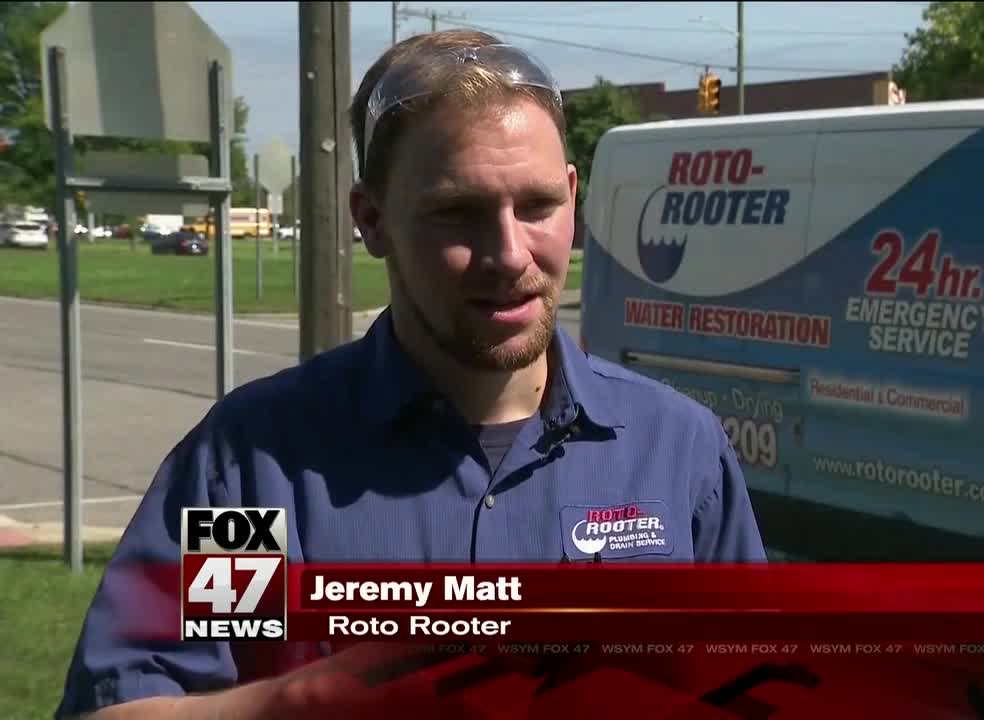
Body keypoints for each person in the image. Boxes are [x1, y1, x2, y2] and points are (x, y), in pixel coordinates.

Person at [55, 30, 766, 719]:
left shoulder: (672, 453)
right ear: (372, 220)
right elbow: (136, 696)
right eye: (458, 213)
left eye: (538, 206)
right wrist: (303, 699)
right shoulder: (261, 470)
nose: (510, 254)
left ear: (573, 198)